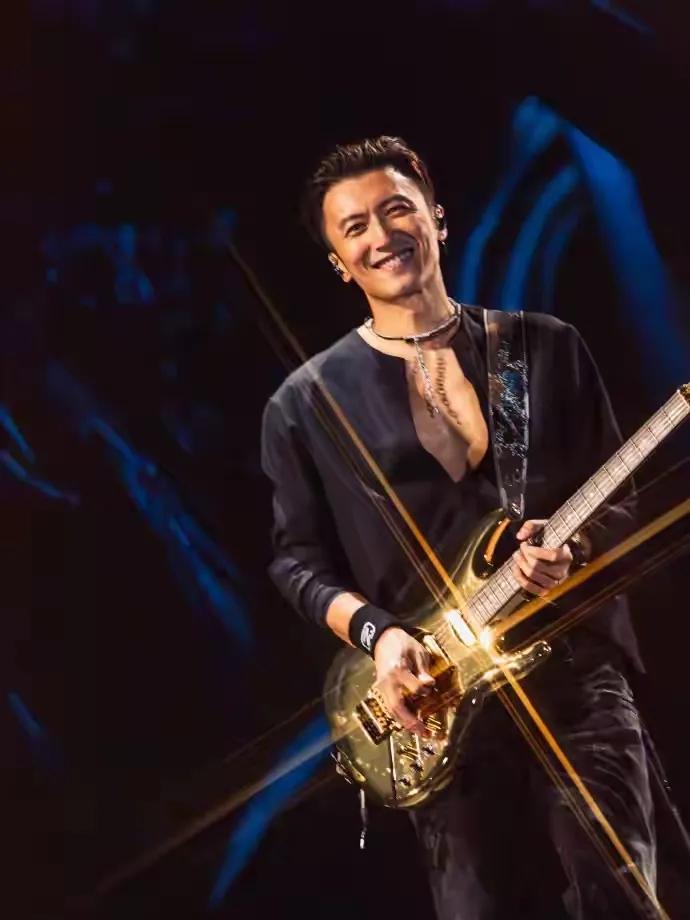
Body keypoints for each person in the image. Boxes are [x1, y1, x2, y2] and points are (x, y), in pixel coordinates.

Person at [261, 136, 656, 918]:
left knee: (617, 891)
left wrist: (573, 547)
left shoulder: (541, 346)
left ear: (437, 218)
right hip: (437, 703)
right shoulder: (304, 405)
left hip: (572, 675)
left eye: (397, 209)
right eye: (355, 227)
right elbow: (296, 563)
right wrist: (380, 636)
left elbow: (623, 501)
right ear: (339, 262)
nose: (382, 236)